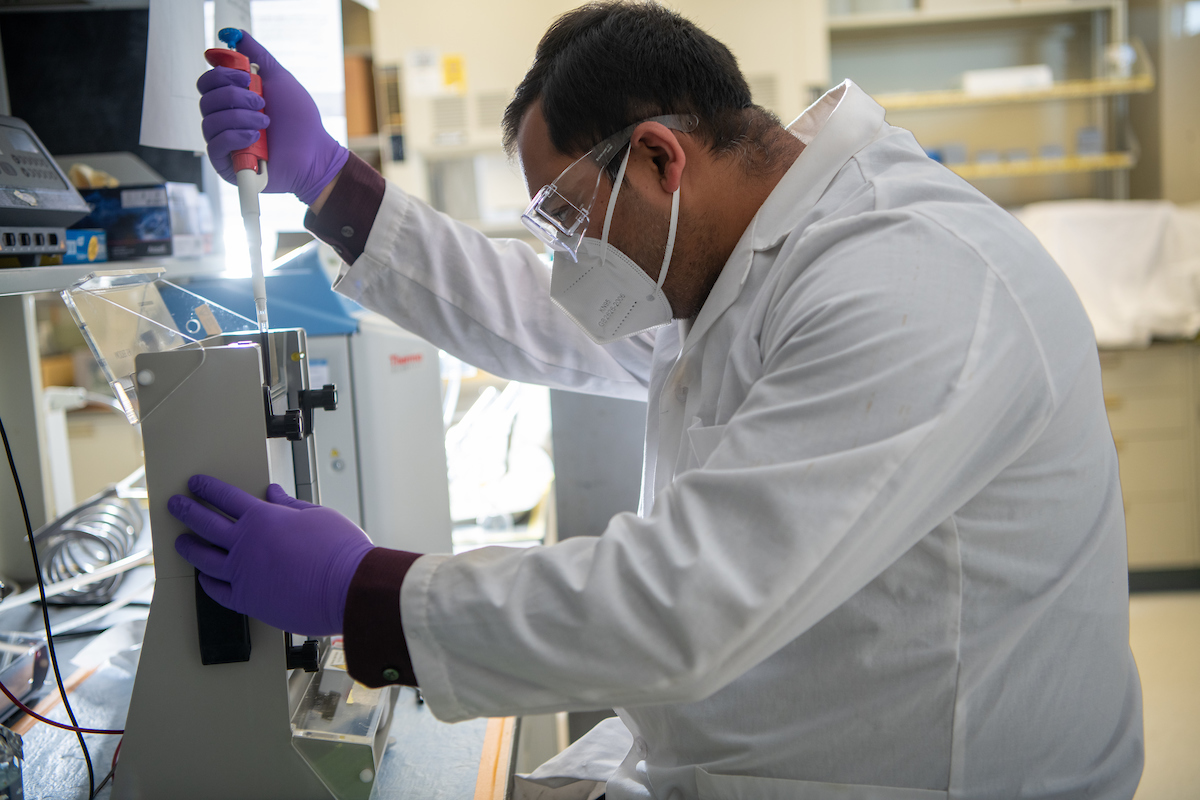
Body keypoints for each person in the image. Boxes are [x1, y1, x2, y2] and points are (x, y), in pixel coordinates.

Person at [173, 3, 1144, 798]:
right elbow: (537, 315)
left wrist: (364, 591)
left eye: (565, 218)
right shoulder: (741, 258)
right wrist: (330, 183)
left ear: (658, 159)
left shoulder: (909, 280)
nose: (565, 256)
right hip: (749, 755)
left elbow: (689, 601)